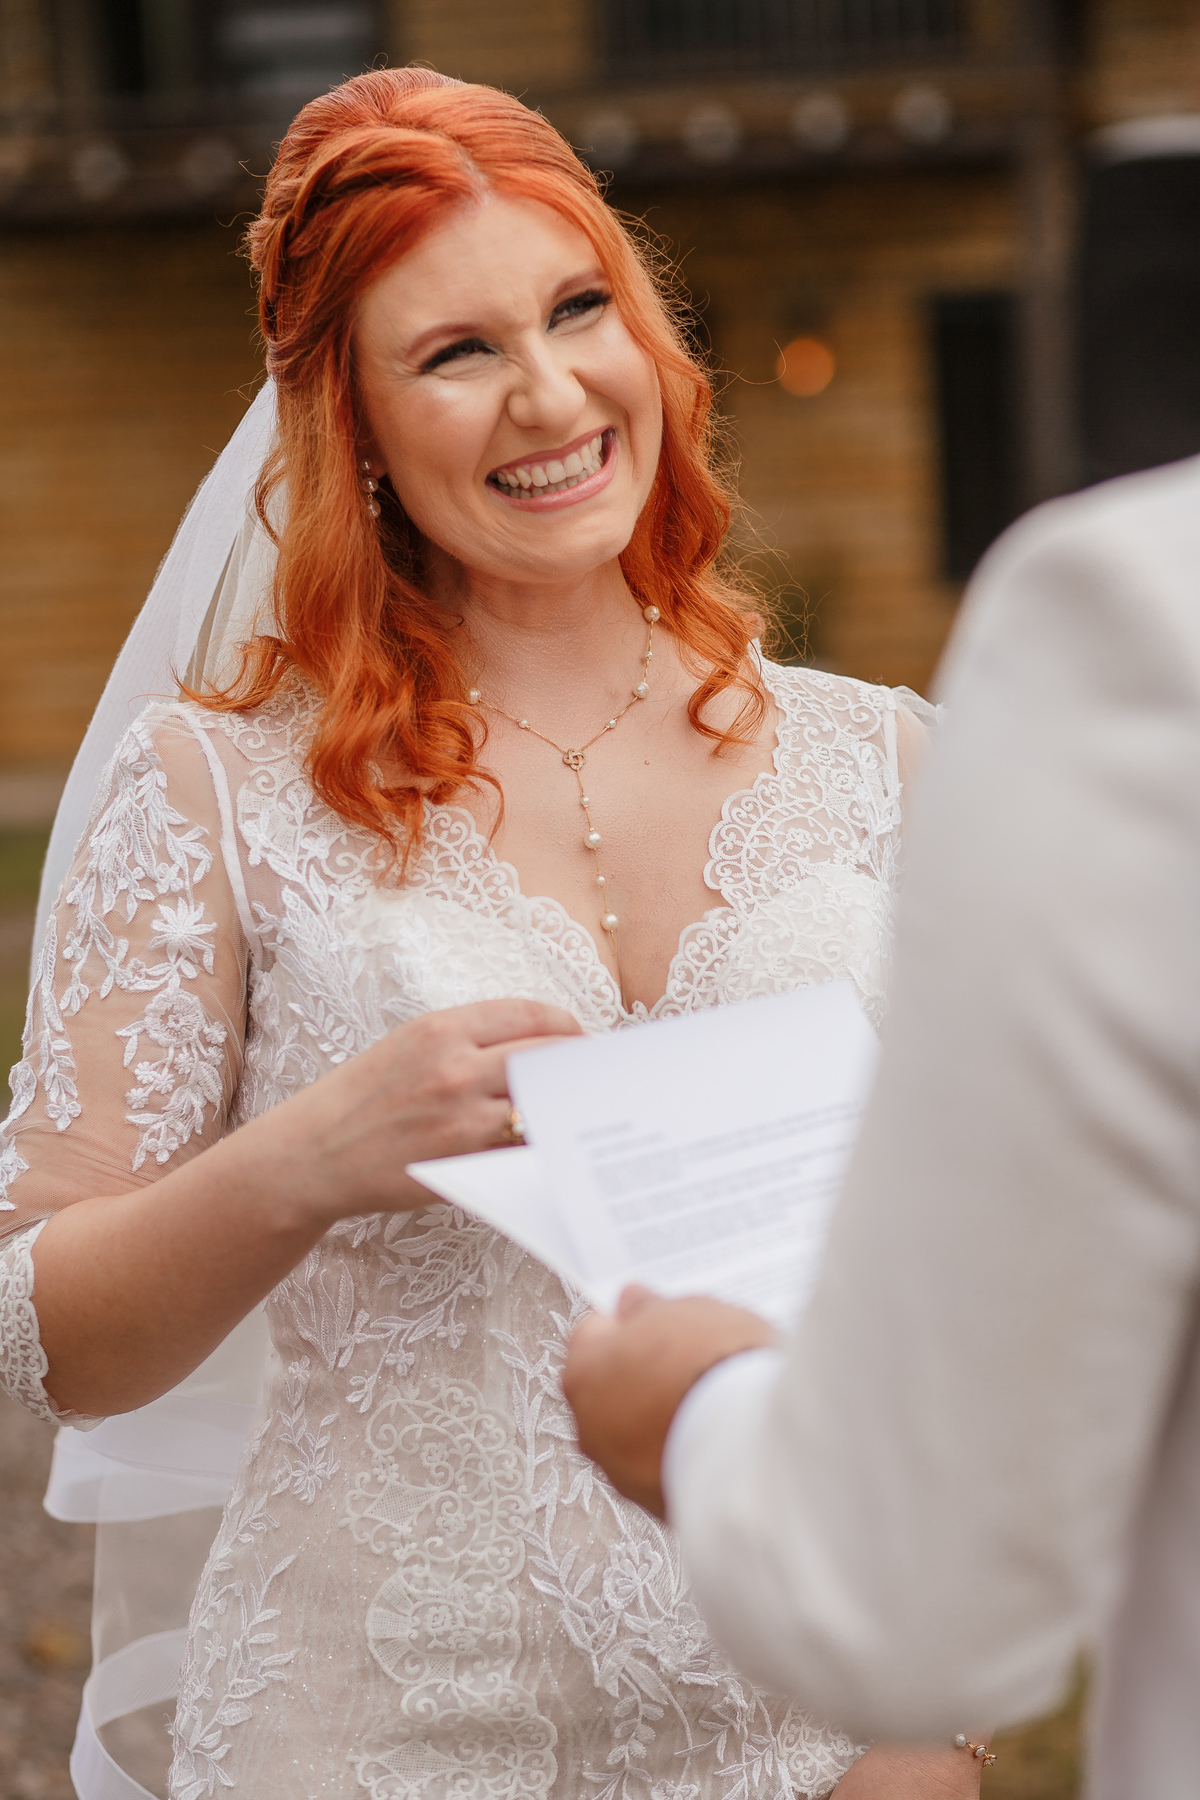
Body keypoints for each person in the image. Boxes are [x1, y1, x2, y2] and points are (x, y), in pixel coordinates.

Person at [0, 66, 970, 1800]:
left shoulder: (891, 764)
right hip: (368, 1733)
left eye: (580, 308)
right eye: (455, 354)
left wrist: (931, 1724)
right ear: (350, 428)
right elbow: (51, 1345)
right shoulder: (218, 794)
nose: (549, 396)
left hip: (812, 1723)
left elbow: (993, 1279)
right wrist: (303, 1157)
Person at [563, 451, 1200, 1800]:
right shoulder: (213, 776)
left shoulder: (1136, 611)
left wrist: (692, 1403)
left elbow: (916, 1590)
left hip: (814, 1629)